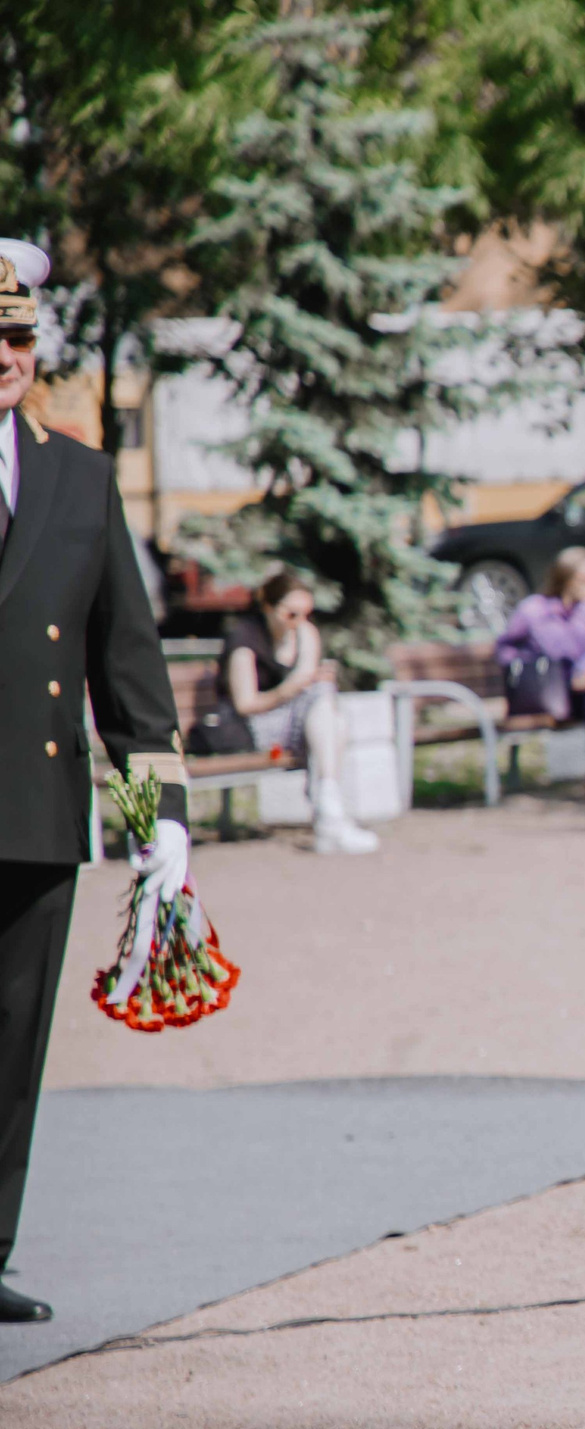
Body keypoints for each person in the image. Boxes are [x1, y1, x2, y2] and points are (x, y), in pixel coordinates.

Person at [0, 237, 192, 1324]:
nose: (5, 354)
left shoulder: (79, 476)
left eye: (19, 336)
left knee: (11, 1046)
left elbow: (127, 670)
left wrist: (155, 819)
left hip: (34, 810)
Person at [221, 572, 379, 855]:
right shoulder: (245, 638)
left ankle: (328, 809)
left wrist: (314, 681)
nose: (299, 621)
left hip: (299, 724)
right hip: (253, 726)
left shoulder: (304, 632)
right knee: (330, 715)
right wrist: (293, 688)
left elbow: (309, 679)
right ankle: (329, 811)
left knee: (330, 712)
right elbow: (245, 704)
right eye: (291, 613)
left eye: (307, 613)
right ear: (268, 607)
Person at [495, 547, 585, 799]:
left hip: (574, 693)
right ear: (568, 578)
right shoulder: (534, 611)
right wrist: (536, 665)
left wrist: (584, 671)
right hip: (541, 691)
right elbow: (506, 649)